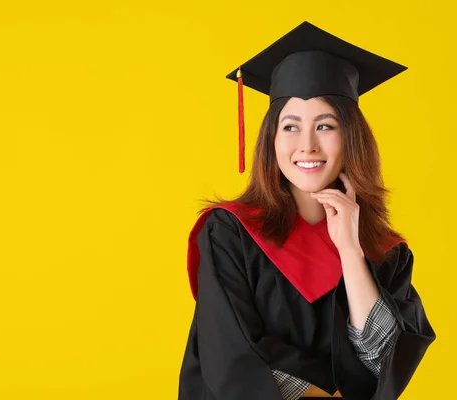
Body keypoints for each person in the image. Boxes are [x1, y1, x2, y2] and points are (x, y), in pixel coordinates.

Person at [177, 22, 435, 400]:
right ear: (272, 139)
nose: (307, 145)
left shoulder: (385, 251)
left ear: (351, 138)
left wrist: (350, 250)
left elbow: (384, 362)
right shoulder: (229, 233)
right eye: (291, 126)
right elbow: (228, 354)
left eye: (325, 125)